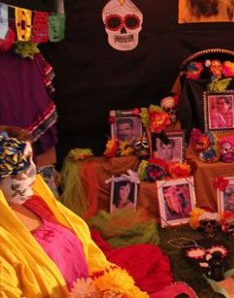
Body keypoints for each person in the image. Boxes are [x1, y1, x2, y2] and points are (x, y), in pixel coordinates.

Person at [0, 126, 150, 297]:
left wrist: (106, 286)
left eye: (32, 160)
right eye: (21, 167)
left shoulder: (35, 200)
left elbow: (88, 250)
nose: (33, 172)